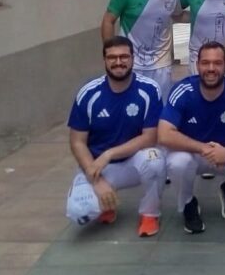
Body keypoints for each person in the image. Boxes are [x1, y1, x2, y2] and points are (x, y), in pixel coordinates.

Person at [66, 37, 167, 237]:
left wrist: (109, 154)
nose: (118, 62)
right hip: (97, 167)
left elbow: (150, 137)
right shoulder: (88, 93)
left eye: (124, 57)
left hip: (133, 163)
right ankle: (106, 205)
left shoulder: (149, 89)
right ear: (104, 60)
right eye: (112, 57)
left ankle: (149, 214)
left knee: (155, 160)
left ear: (133, 59)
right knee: (79, 213)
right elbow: (77, 142)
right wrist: (97, 180)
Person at [158, 42, 225, 234]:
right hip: (192, 150)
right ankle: (188, 203)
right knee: (177, 163)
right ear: (197, 65)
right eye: (205, 63)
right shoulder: (183, 91)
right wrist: (203, 148)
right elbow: (163, 134)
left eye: (217, 63)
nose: (211, 68)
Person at [101, 0, 182, 99]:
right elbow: (108, 20)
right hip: (132, 63)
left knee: (160, 106)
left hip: (161, 64)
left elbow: (178, 15)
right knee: (131, 106)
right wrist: (111, 53)